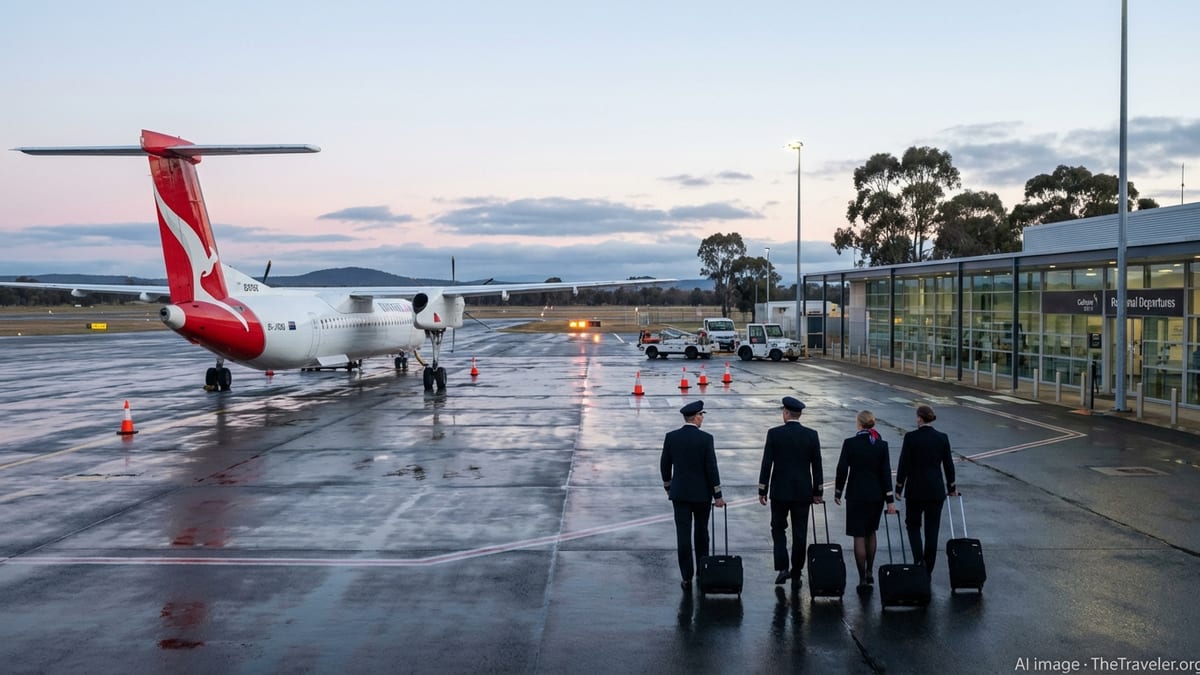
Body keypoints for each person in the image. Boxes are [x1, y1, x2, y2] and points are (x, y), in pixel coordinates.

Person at [757, 396, 823, 586]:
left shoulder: (774, 434)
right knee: (800, 532)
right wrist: (818, 491)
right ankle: (796, 571)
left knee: (778, 529)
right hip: (803, 492)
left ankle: (782, 567)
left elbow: (767, 463)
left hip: (780, 491)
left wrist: (763, 489)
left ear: (786, 413)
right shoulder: (812, 435)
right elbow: (816, 465)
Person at [660, 399, 725, 590]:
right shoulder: (706, 439)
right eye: (701, 416)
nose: (702, 419)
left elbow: (665, 464)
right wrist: (717, 495)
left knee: (683, 535)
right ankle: (701, 570)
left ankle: (686, 576)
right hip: (701, 495)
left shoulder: (671, 437)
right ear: (696, 417)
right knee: (702, 534)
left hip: (679, 494)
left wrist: (668, 486)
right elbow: (711, 468)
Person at [834, 410, 896, 592]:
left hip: (855, 495)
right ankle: (870, 570)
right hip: (876, 496)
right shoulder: (881, 445)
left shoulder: (850, 444)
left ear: (859, 424)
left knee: (858, 536)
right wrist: (889, 500)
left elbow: (842, 469)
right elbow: (886, 474)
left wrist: (838, 491)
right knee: (871, 533)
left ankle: (862, 578)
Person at [894, 404, 958, 576]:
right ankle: (928, 568)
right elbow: (948, 465)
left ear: (920, 418)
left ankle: (918, 560)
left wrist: (899, 486)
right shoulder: (942, 438)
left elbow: (904, 464)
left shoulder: (911, 438)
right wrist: (951, 487)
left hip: (915, 490)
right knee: (932, 529)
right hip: (935, 490)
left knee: (913, 525)